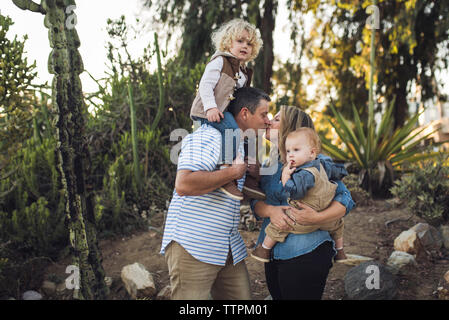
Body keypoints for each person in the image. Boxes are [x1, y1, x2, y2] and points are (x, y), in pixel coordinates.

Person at [160, 87, 271, 300]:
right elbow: (184, 184)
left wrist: (251, 175)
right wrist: (234, 172)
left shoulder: (238, 144)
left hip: (227, 247)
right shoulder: (209, 136)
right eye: (263, 114)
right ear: (245, 114)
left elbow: (229, 193)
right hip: (194, 246)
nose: (267, 120)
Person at [251, 105, 355, 300]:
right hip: (272, 252)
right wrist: (270, 211)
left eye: (276, 119)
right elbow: (256, 202)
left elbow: (345, 199)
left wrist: (317, 217)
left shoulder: (317, 161)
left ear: (291, 128)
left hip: (307, 251)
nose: (268, 122)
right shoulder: (269, 163)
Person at [190, 18, 265, 201]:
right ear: (228, 42)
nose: (245, 46)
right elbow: (206, 86)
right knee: (231, 130)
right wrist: (211, 108)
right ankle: (226, 173)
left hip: (226, 112)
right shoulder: (219, 61)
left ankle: (249, 178)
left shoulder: (244, 72)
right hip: (209, 111)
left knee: (251, 135)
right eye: (240, 41)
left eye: (249, 44)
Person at [251, 127, 348, 263]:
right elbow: (338, 171)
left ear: (312, 153)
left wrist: (285, 178)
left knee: (279, 226)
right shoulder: (322, 165)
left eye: (296, 150)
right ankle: (340, 252)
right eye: (288, 151)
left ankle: (264, 250)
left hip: (301, 219)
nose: (290, 154)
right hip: (327, 221)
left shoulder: (304, 173)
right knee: (338, 225)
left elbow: (296, 193)